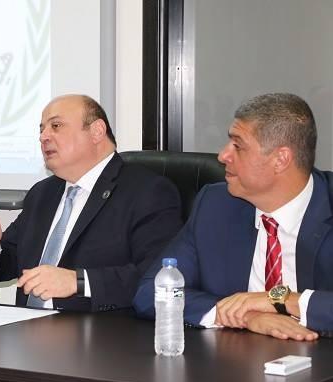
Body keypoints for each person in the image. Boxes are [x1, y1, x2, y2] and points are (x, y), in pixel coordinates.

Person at [133, 93, 333, 341]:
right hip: (237, 356)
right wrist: (244, 316)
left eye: (238, 146)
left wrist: (280, 300)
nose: (222, 156)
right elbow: (152, 291)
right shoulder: (216, 205)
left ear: (281, 159)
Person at [0, 94, 182, 311]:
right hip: (27, 326)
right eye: (41, 130)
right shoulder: (42, 193)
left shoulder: (147, 191)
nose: (43, 137)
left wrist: (79, 282)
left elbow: (157, 275)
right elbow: (8, 264)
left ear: (97, 131)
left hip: (101, 329)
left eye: (56, 126)